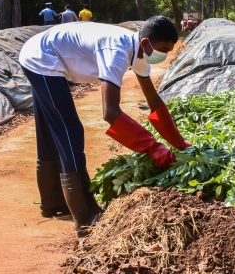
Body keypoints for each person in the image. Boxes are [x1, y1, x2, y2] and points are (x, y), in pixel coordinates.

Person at [18, 16, 189, 237]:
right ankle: (86, 216)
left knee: (52, 129)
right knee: (69, 130)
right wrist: (152, 146)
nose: (163, 56)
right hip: (41, 58)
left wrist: (179, 142)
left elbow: (154, 101)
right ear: (146, 43)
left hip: (44, 51)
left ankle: (53, 202)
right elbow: (110, 112)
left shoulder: (139, 52)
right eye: (163, 49)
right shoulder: (117, 51)